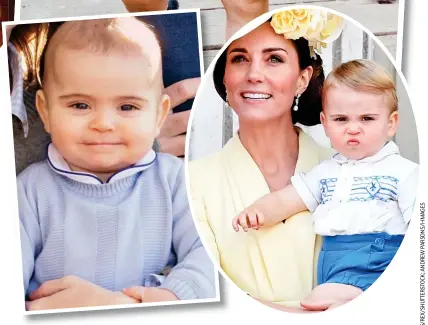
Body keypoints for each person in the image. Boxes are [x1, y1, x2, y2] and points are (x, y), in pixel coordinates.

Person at [17, 17, 215, 311]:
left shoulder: (174, 181)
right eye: (80, 105)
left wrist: (161, 298)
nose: (103, 124)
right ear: (45, 111)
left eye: (127, 107)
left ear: (159, 115)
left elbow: (210, 254)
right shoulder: (30, 191)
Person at [188, 8, 361, 313]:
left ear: (302, 79)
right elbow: (202, 297)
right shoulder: (191, 182)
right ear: (225, 80)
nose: (254, 74)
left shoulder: (351, 171)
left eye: (274, 59)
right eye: (240, 58)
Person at [232, 59, 418, 309]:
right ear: (325, 123)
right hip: (334, 261)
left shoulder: (401, 172)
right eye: (341, 119)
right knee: (327, 300)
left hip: (376, 257)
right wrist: (258, 212)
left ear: (391, 123)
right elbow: (289, 199)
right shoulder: (325, 173)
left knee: (319, 300)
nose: (353, 128)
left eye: (367, 118)